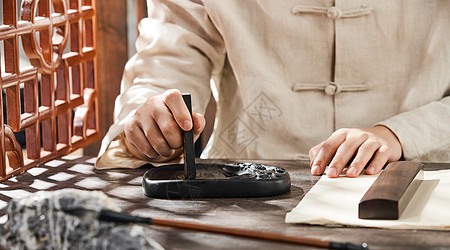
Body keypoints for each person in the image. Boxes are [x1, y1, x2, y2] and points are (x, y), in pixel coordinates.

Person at [95, 0, 450, 178]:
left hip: (421, 178)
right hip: (244, 186)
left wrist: (398, 135)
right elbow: (171, 55)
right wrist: (154, 116)